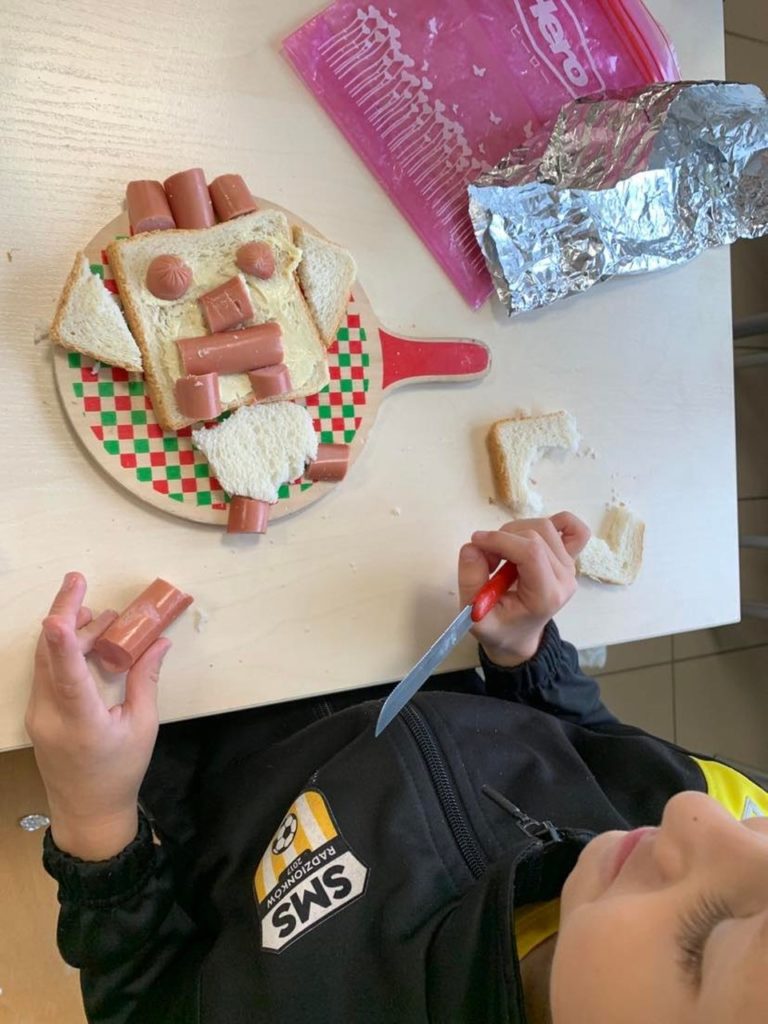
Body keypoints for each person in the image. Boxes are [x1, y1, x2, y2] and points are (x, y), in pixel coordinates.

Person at [26, 514, 768, 1024]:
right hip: (390, 643)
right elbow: (601, 745)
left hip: (197, 725)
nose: (693, 816)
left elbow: (142, 996)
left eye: (708, 942)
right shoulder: (713, 811)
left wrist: (94, 811)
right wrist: (527, 655)